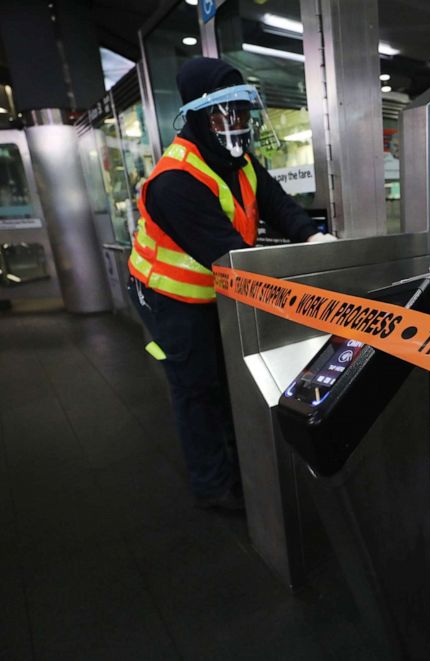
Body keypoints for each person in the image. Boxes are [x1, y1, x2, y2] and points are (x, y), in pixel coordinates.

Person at [128, 57, 335, 511]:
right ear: (200, 118)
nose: (237, 123)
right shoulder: (175, 181)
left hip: (213, 290)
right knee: (196, 386)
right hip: (169, 297)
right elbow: (226, 255)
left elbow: (278, 203)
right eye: (226, 114)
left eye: (242, 112)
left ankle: (238, 465)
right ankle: (212, 485)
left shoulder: (238, 160)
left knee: (225, 380)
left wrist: (314, 237)